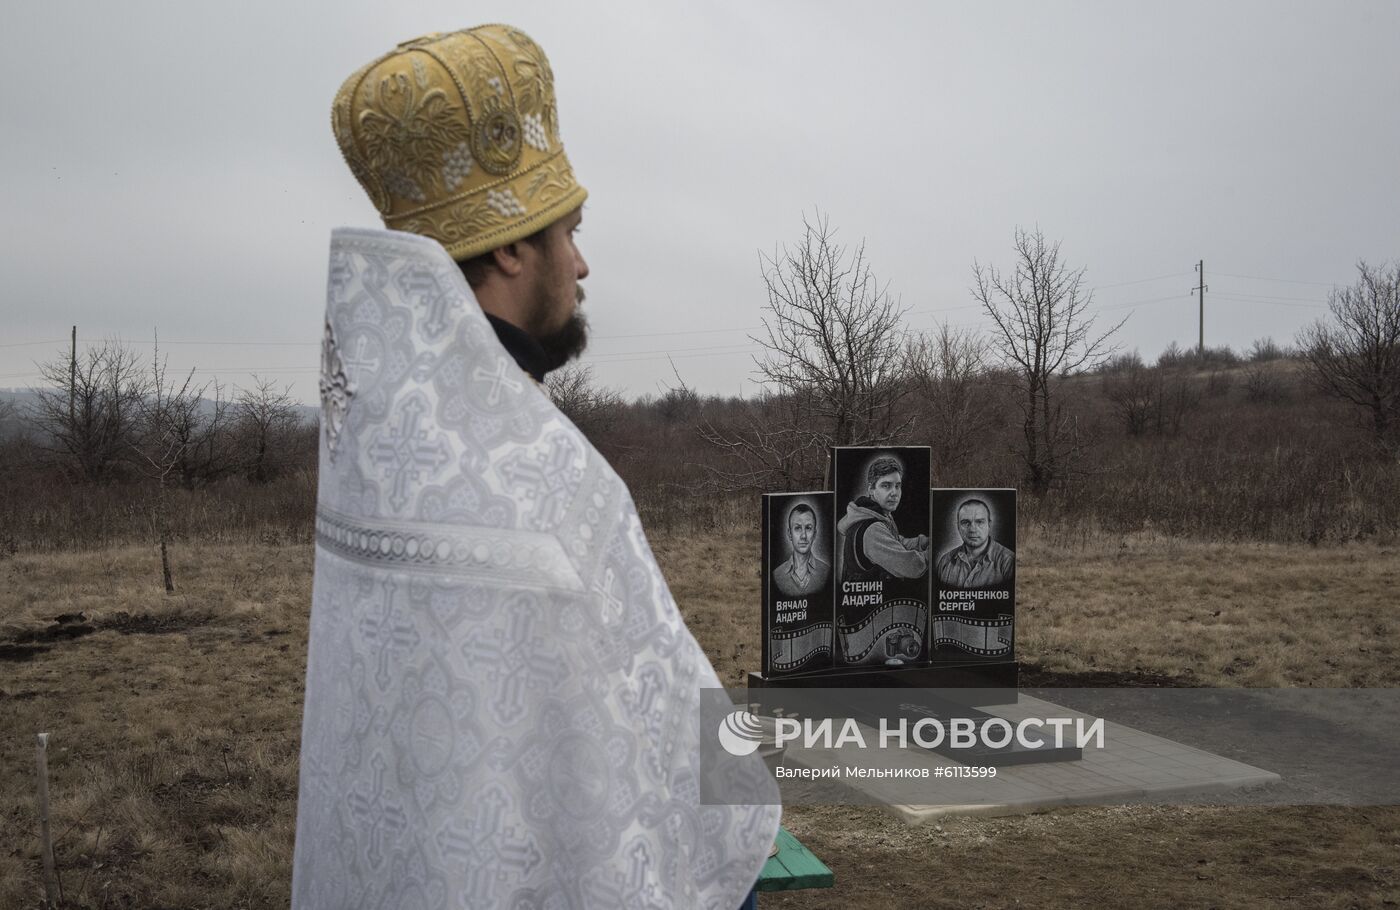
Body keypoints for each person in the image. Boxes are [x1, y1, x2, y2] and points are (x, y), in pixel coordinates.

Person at [295, 26, 779, 910]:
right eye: (571, 232)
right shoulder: (549, 482)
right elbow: (685, 762)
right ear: (513, 248)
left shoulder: (375, 457)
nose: (583, 263)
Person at [836, 456, 929, 581]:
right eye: (886, 486)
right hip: (868, 599)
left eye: (897, 486)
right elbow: (913, 567)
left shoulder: (875, 514)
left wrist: (921, 542)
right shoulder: (872, 529)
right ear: (871, 489)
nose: (894, 492)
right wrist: (934, 551)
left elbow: (894, 541)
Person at [936, 498, 1015, 588]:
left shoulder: (1008, 562)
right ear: (958, 526)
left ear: (989, 525)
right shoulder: (945, 561)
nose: (972, 529)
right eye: (965, 523)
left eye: (979, 522)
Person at [771, 503, 831, 597]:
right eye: (798, 528)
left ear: (814, 534)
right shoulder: (776, 575)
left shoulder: (827, 572)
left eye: (808, 528)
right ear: (789, 534)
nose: (803, 536)